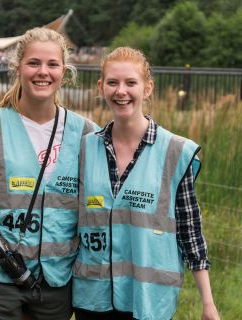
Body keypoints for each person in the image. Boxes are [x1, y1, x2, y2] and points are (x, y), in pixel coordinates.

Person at [0, 27, 97, 320]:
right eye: (33, 63)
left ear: (64, 72)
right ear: (17, 68)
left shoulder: (86, 134)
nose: (42, 72)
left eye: (52, 64)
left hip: (56, 281)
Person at [72, 47, 220, 320]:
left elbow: (190, 230)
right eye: (113, 82)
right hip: (93, 298)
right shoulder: (84, 148)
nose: (121, 91)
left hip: (148, 300)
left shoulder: (175, 152)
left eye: (131, 82)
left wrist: (208, 303)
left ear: (148, 88)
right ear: (101, 86)